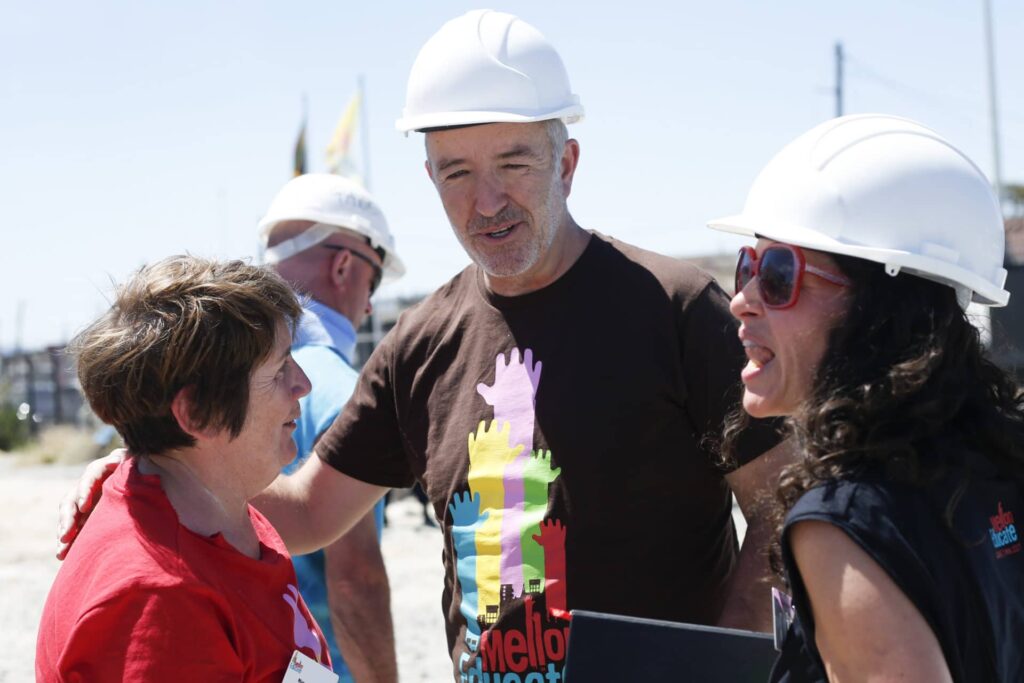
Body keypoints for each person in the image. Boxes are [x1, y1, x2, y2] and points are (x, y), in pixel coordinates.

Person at [59, 11, 787, 682]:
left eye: (514, 163)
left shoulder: (678, 310)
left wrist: (724, 656)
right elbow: (310, 512)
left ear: (566, 163)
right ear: (431, 177)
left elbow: (779, 501)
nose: (487, 201)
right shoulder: (421, 343)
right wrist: (155, 469)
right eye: (457, 172)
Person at [708, 114, 1024, 681]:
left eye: (778, 274)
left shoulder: (843, 523)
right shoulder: (991, 463)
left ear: (878, 311)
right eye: (747, 267)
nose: (742, 299)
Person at [38, 256, 332, 681]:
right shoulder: (160, 600)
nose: (303, 384)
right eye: (279, 367)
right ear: (197, 413)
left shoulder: (221, 509)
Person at [258, 173, 404, 683]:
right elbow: (355, 580)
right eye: (374, 283)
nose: (370, 305)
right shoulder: (344, 393)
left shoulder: (227, 383)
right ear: (344, 266)